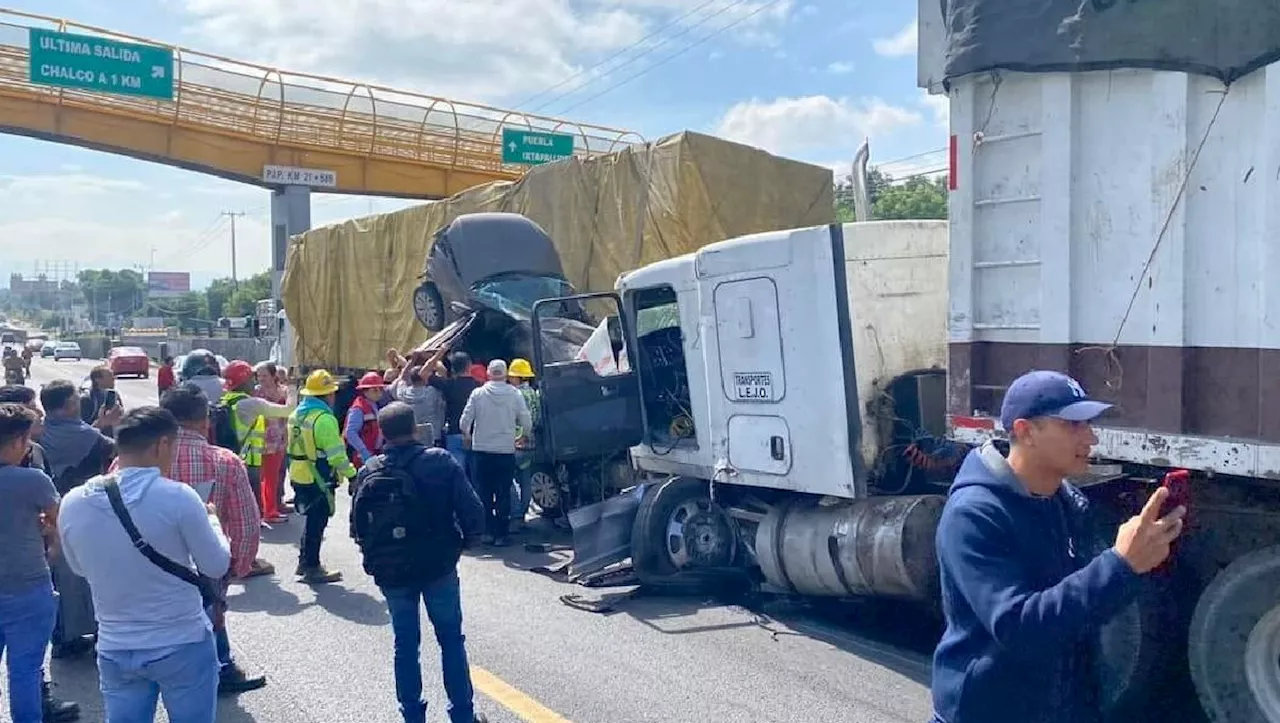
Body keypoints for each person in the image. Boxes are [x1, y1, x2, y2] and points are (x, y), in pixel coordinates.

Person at [929, 371, 1187, 723]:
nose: (1091, 437)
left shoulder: (1067, 502)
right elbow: (1019, 627)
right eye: (1073, 425)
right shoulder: (973, 514)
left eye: (1089, 424)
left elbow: (1081, 613)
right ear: (1025, 431)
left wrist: (1138, 563)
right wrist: (1118, 565)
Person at [57, 407, 229, 723]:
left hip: (115, 645)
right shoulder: (179, 497)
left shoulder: (74, 501)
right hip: (181, 641)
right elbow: (216, 565)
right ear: (162, 445)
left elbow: (79, 568)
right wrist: (213, 521)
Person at [350, 402, 487, 723]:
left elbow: (357, 529)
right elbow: (473, 512)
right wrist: (464, 543)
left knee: (405, 644)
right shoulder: (439, 462)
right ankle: (462, 715)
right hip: (437, 564)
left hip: (393, 571)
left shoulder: (369, 470)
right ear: (415, 428)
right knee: (451, 639)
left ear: (382, 434)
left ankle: (412, 716)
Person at [158, 385, 268, 694]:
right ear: (206, 419)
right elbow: (247, 526)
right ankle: (217, 670)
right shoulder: (225, 461)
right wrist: (235, 569)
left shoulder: (138, 457)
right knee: (209, 615)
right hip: (206, 567)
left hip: (148, 564)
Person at [0, 387, 83, 722]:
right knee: (25, 671)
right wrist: (49, 549)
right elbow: (57, 525)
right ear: (21, 441)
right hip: (27, 585)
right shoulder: (33, 481)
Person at [39, 379, 115, 660]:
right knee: (94, 573)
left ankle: (63, 638)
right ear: (71, 405)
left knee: (59, 577)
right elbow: (116, 450)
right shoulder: (88, 436)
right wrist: (107, 424)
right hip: (88, 512)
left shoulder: (36, 434)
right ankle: (100, 633)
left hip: (48, 515)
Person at [286, 369, 357, 583]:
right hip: (318, 475)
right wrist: (352, 475)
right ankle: (312, 566)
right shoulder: (325, 419)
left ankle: (303, 561)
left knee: (309, 520)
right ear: (328, 395)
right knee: (317, 522)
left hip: (299, 473)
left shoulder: (297, 413)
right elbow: (336, 455)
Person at [459, 360, 531, 547]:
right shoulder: (514, 394)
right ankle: (502, 534)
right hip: (505, 450)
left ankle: (488, 532)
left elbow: (464, 420)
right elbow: (526, 419)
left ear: (489, 374)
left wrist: (467, 435)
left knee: (483, 493)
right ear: (506, 374)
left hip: (481, 451)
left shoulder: (478, 393)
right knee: (503, 493)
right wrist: (523, 436)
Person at [220, 360, 294, 526]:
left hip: (232, 453)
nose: (256, 381)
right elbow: (288, 410)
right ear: (245, 381)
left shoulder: (226, 399)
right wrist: (293, 388)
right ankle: (256, 521)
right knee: (252, 498)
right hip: (250, 458)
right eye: (253, 377)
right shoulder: (251, 403)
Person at [254, 361, 290, 523]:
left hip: (278, 440)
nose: (261, 379)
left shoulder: (284, 391)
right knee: (259, 477)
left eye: (264, 375)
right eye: (258, 375)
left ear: (273, 375)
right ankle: (263, 511)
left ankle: (270, 510)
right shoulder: (255, 392)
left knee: (273, 477)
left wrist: (287, 438)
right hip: (260, 440)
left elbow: (289, 415)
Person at [507, 359, 540, 530]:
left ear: (518, 377)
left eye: (512, 376)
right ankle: (524, 513)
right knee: (526, 480)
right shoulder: (534, 393)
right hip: (531, 442)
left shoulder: (515, 395)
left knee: (509, 480)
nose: (509, 379)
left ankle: (516, 516)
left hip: (516, 442)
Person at [434, 351, 479, 474]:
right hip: (476, 435)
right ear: (469, 365)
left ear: (452, 367)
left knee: (458, 474)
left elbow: (423, 374)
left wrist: (438, 354)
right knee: (477, 476)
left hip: (453, 432)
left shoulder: (448, 384)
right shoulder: (479, 387)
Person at [346, 371, 387, 467]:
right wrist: (364, 452)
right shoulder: (358, 409)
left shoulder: (374, 405)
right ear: (365, 391)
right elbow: (350, 433)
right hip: (363, 457)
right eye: (375, 390)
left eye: (380, 389)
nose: (379, 393)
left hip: (374, 453)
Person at [79, 365, 120, 434]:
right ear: (97, 379)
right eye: (110, 376)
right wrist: (101, 422)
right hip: (95, 441)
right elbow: (82, 431)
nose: (114, 378)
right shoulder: (86, 399)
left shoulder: (114, 395)